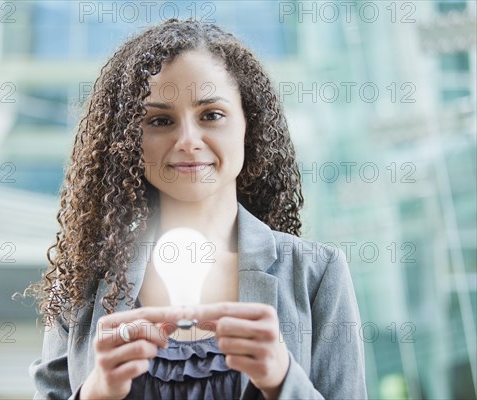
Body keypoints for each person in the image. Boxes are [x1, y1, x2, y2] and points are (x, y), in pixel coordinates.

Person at [26, 18, 367, 400]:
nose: (188, 141)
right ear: (128, 142)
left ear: (248, 125)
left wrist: (283, 379)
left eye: (211, 115)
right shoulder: (83, 282)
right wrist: (96, 393)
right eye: (159, 120)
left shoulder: (316, 275)